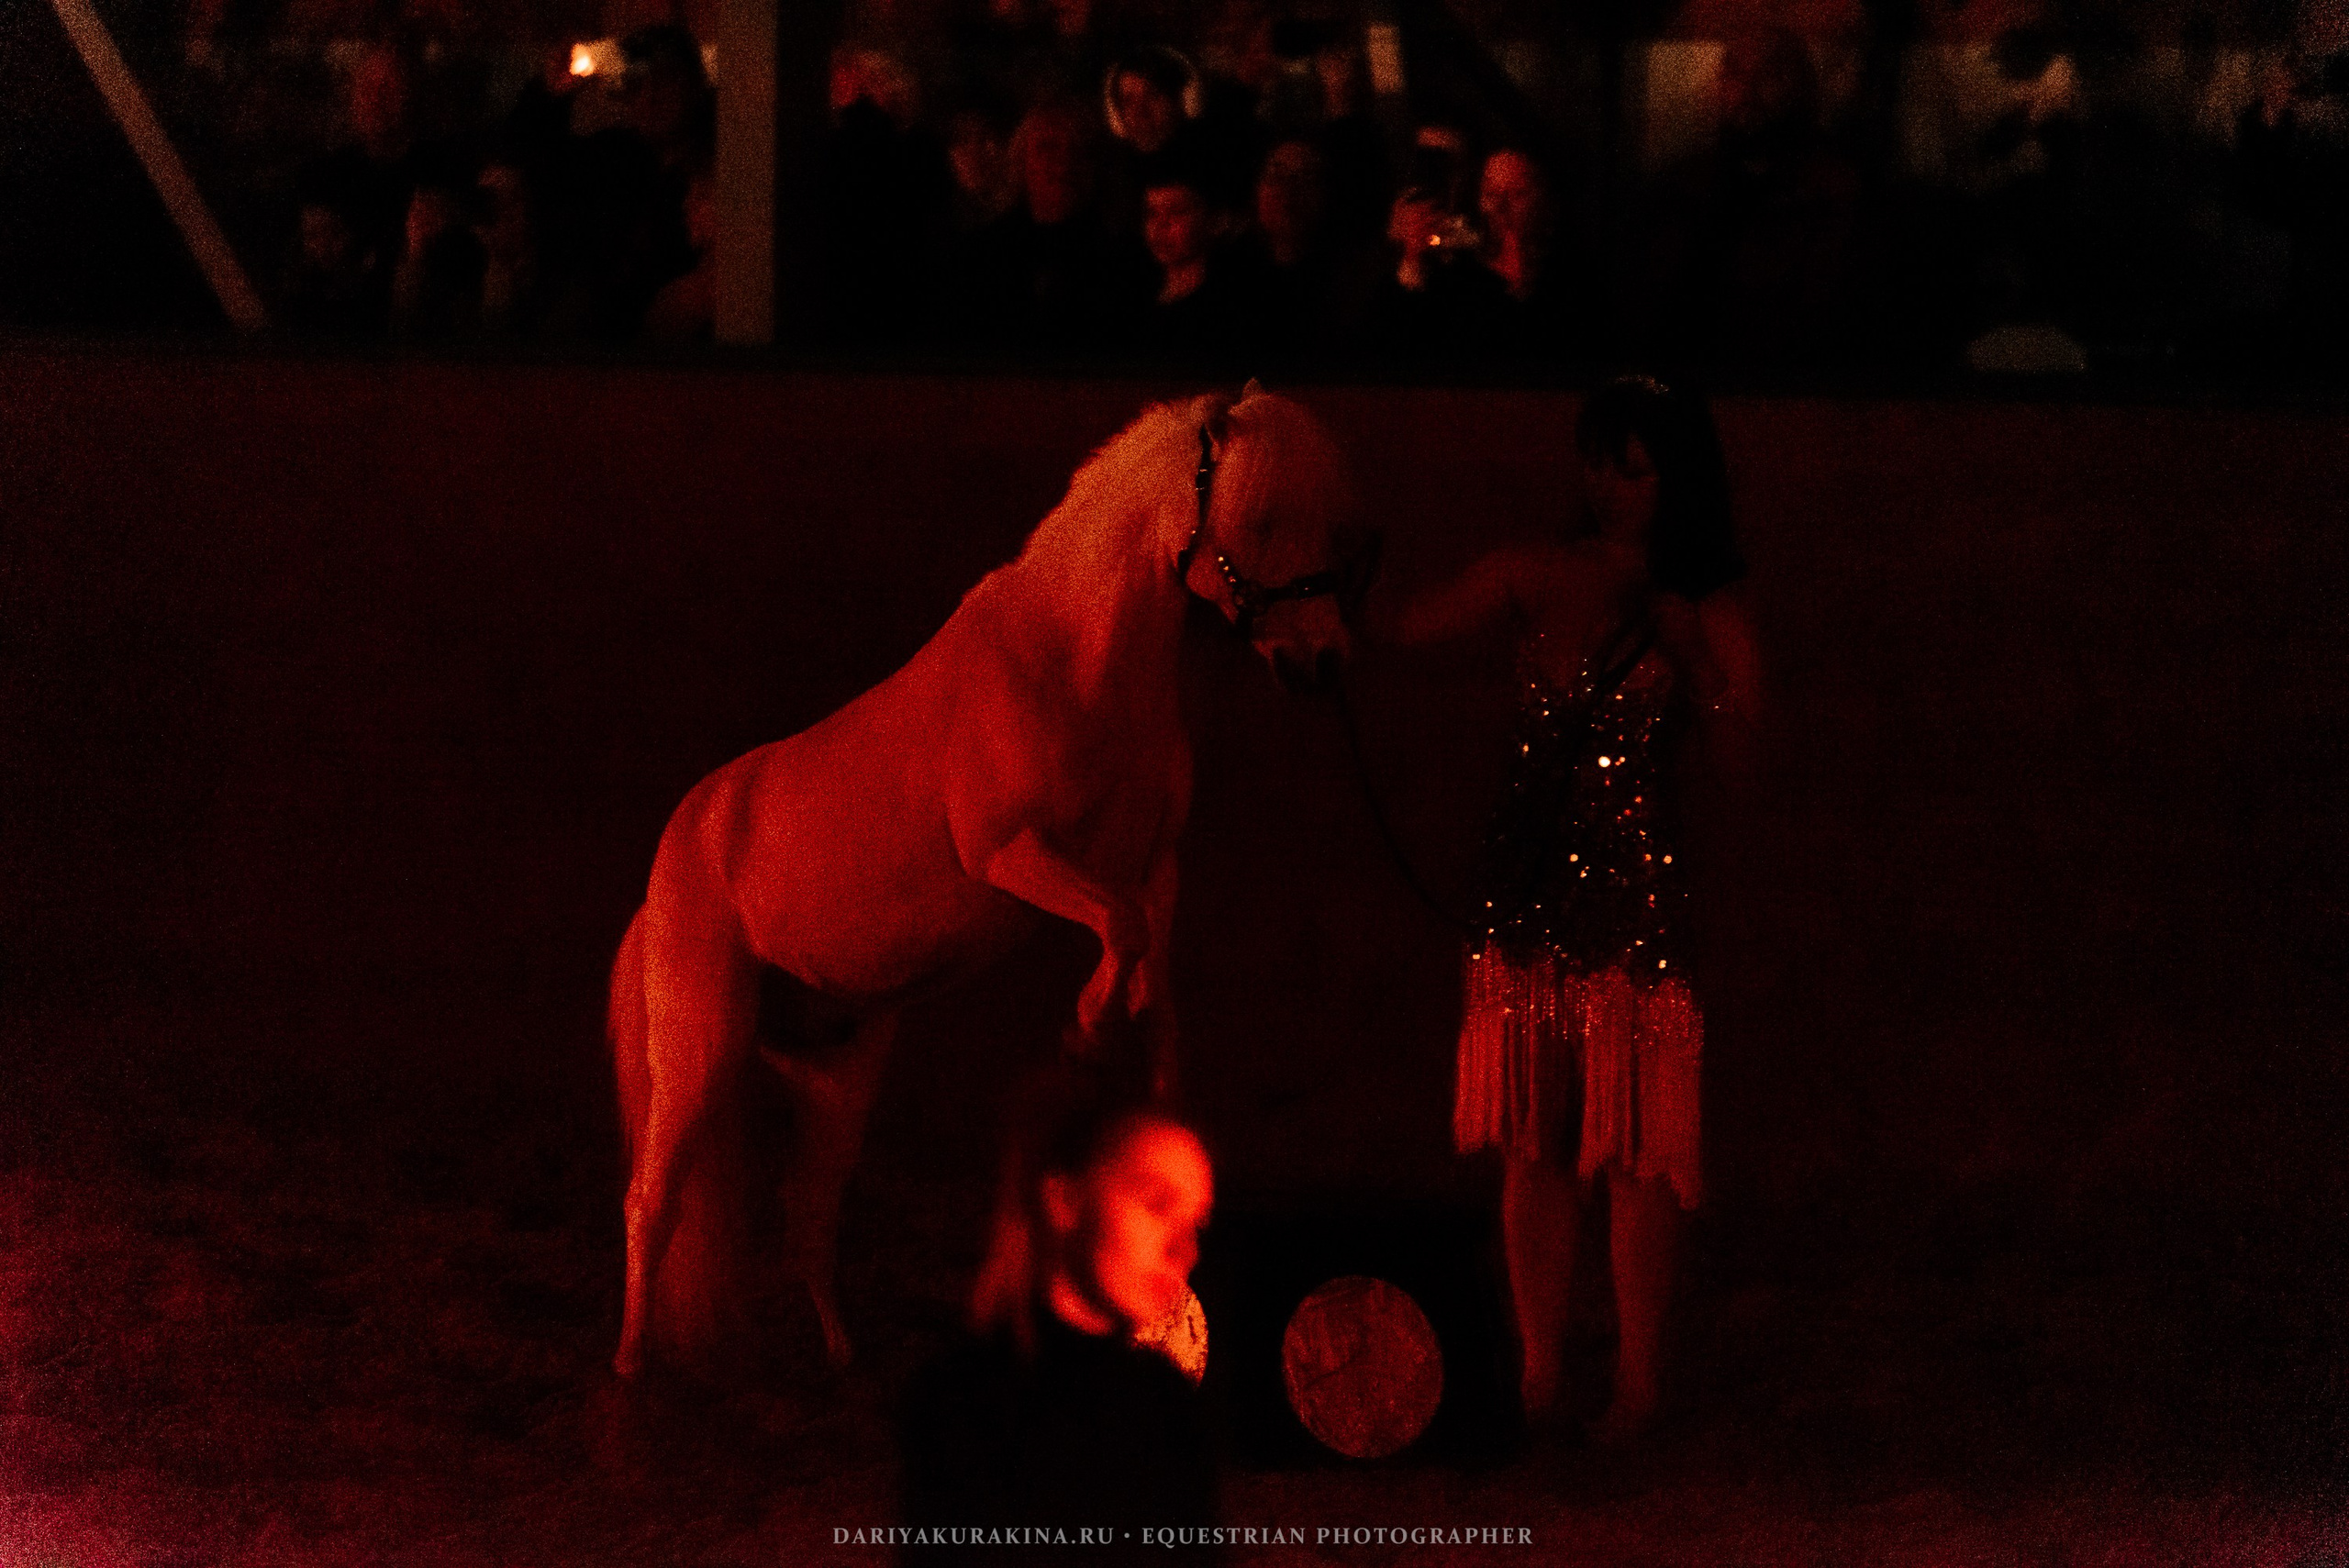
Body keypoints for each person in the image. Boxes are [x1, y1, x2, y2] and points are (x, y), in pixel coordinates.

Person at [1382, 376, 1757, 1444]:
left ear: (1676, 479)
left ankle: (1639, 1379)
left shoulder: (1708, 603)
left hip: (1637, 894)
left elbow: (1742, 759)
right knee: (1532, 1138)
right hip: (1528, 885)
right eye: (1597, 462)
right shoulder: (1535, 572)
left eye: (1632, 469)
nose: (1606, 487)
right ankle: (1542, 1370)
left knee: (1638, 1147)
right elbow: (1402, 625)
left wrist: (1691, 658)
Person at [897, 1060, 1217, 1560]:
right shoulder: (959, 1406)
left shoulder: (1166, 1405)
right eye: (1157, 1204)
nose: (1185, 1250)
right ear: (1065, 1199)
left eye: (1196, 1224)